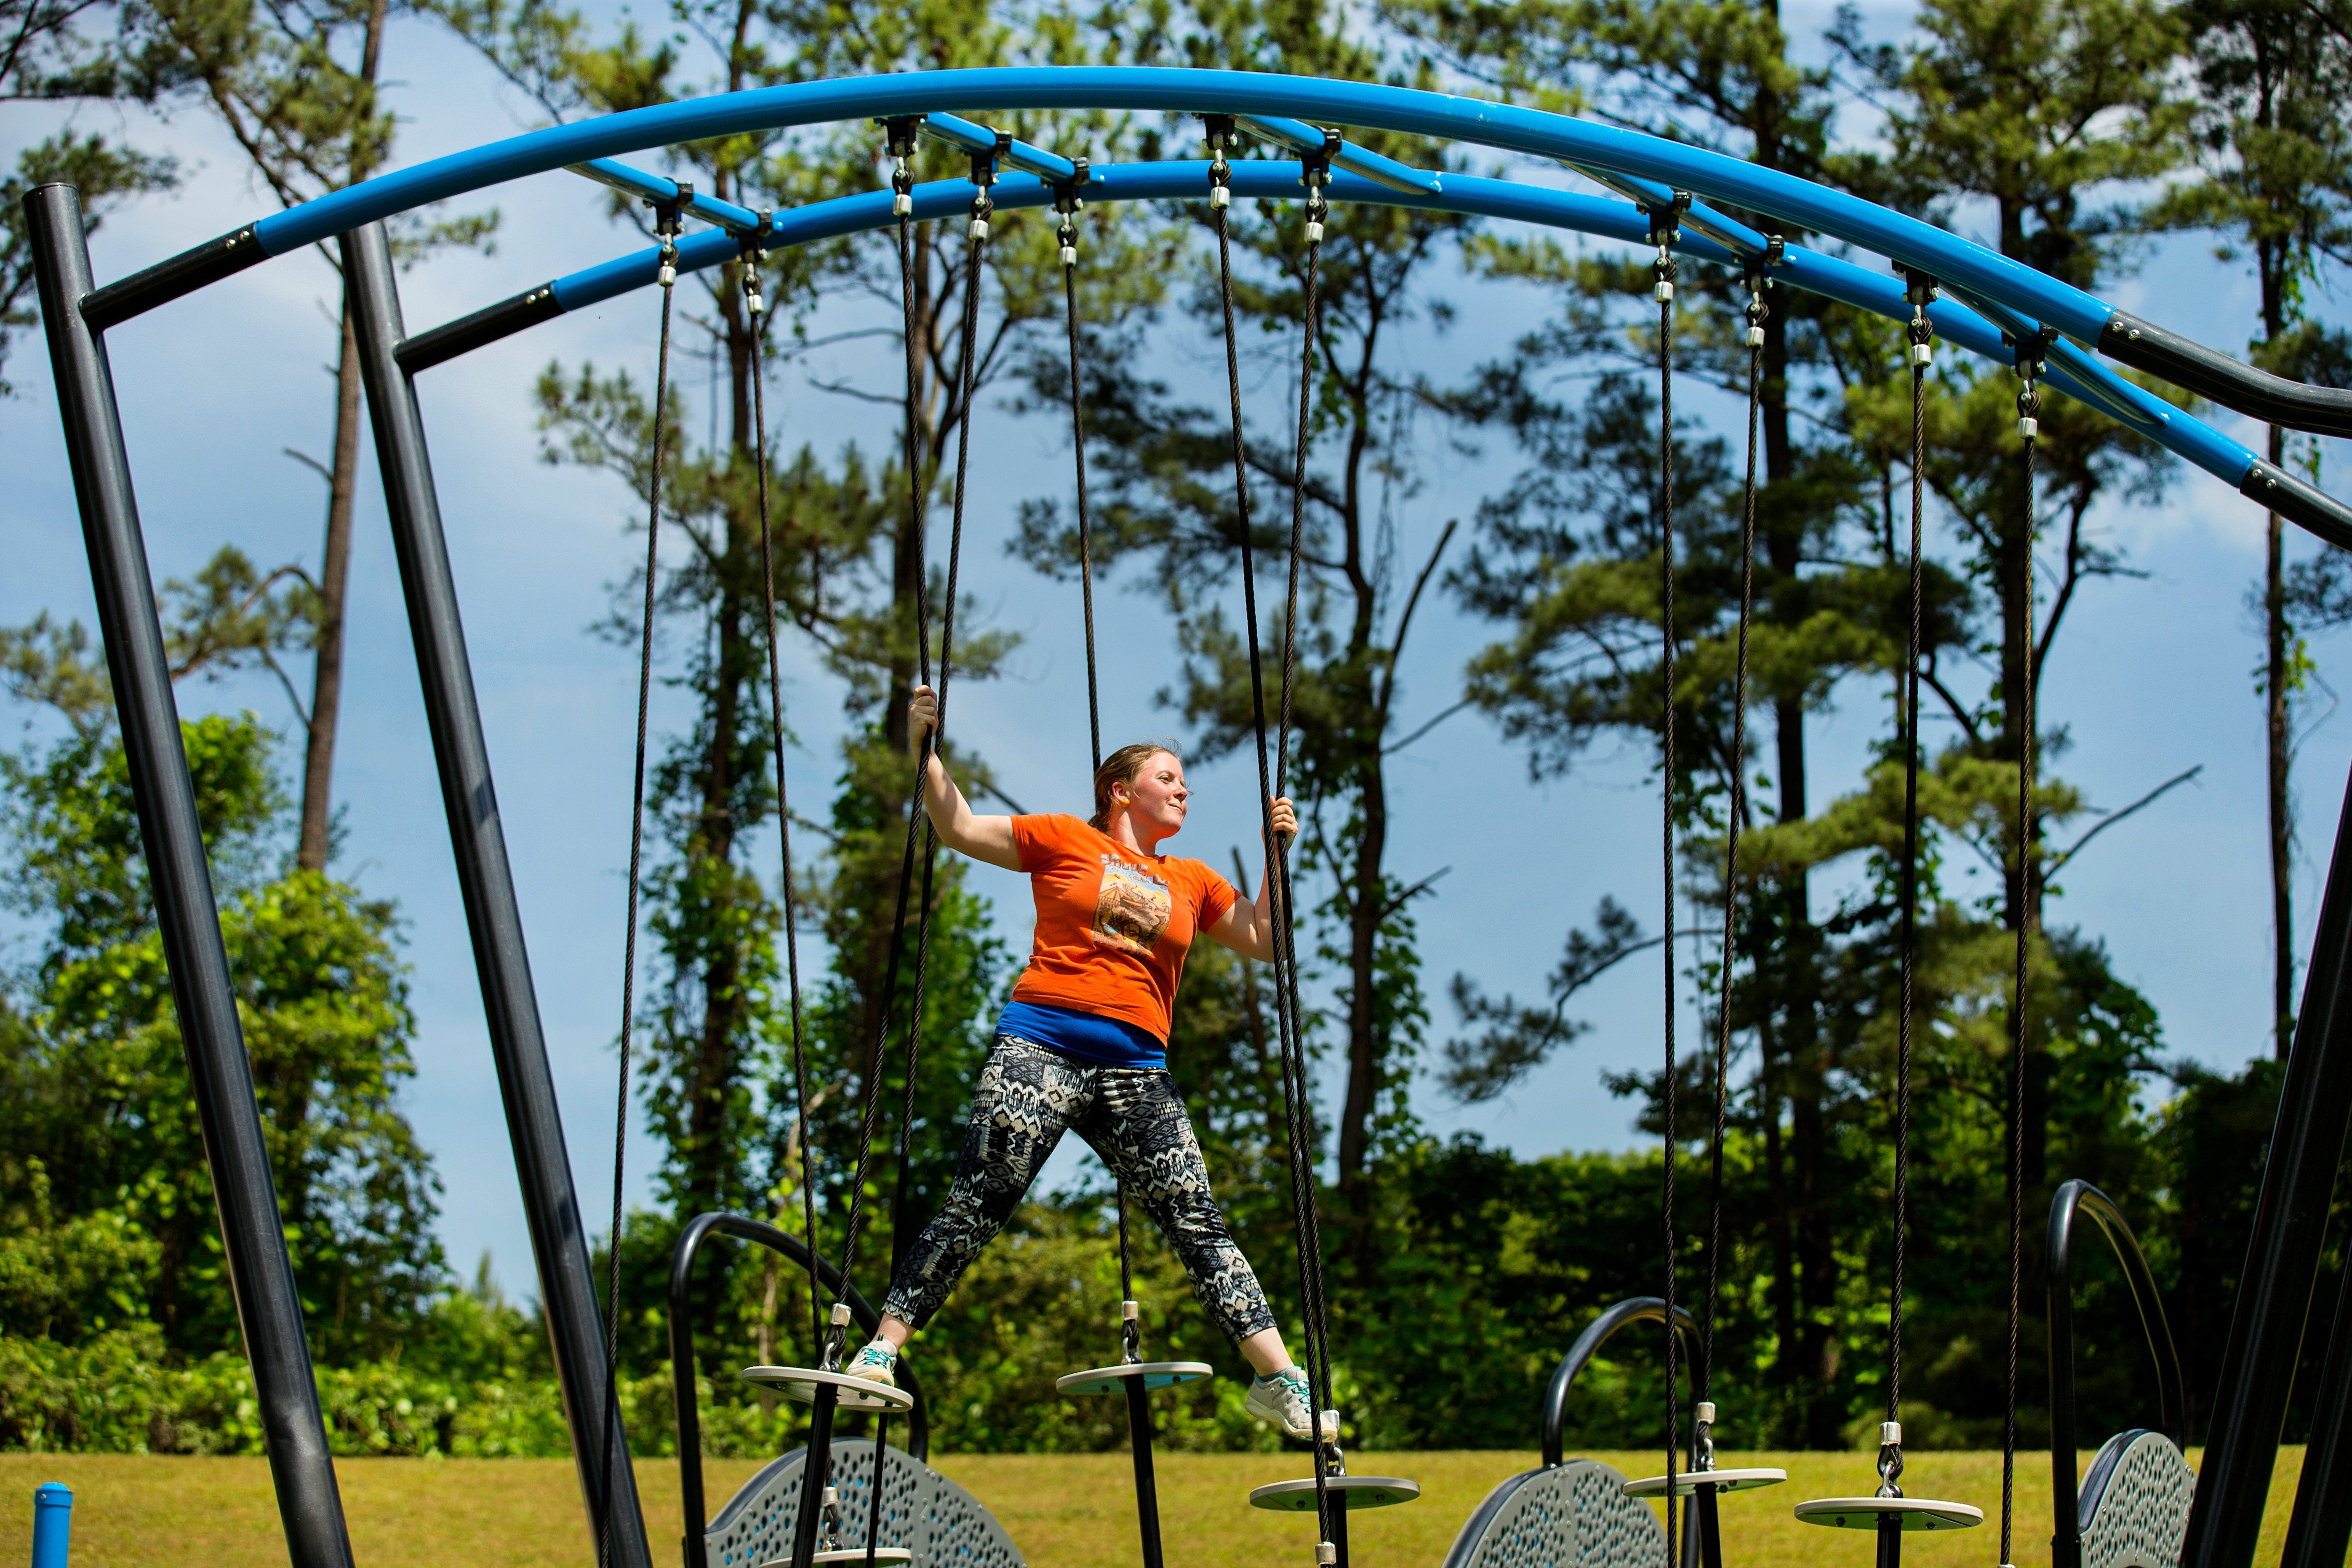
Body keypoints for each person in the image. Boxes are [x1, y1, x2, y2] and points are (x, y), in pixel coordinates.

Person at [838, 684, 1319, 1441]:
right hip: (1042, 1045)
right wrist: (925, 748)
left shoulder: (1193, 879)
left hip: (1139, 1072)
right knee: (982, 1197)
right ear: (1120, 791)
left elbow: (1265, 939)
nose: (1184, 788)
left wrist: (1274, 856)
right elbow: (957, 825)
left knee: (1197, 1219)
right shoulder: (1065, 837)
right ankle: (879, 1350)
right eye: (1168, 777)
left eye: (1186, 781)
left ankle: (1277, 1376)